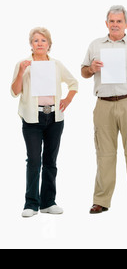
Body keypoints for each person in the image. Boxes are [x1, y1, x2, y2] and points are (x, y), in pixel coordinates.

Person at [81, 5, 127, 214]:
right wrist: (91, 68)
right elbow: (84, 72)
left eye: (119, 21)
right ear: (106, 24)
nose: (115, 25)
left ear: (126, 24)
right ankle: (101, 201)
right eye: (111, 21)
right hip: (103, 104)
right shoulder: (95, 45)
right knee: (104, 154)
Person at [11, 27, 78, 218]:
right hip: (32, 118)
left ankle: (48, 202)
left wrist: (67, 100)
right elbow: (14, 91)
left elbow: (74, 83)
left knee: (51, 160)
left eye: (43, 41)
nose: (39, 44)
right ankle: (31, 203)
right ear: (30, 44)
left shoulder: (56, 64)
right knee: (33, 160)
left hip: (55, 118)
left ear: (49, 44)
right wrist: (21, 72)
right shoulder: (23, 64)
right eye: (35, 41)